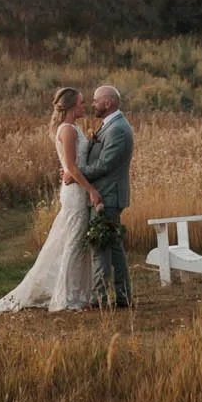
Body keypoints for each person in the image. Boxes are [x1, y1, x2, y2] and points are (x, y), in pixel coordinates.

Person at [0, 85, 102, 313]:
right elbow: (73, 168)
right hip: (76, 192)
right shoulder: (67, 130)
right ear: (70, 106)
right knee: (74, 243)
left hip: (75, 188)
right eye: (81, 103)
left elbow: (72, 166)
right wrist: (91, 190)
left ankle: (77, 292)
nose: (84, 106)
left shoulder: (73, 128)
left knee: (76, 241)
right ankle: (66, 298)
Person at [83, 83, 135, 308]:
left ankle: (100, 299)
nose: (93, 104)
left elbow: (105, 164)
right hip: (108, 194)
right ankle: (123, 297)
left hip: (108, 196)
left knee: (101, 246)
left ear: (108, 102)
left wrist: (75, 172)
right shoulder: (110, 126)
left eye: (95, 100)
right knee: (113, 247)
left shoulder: (118, 130)